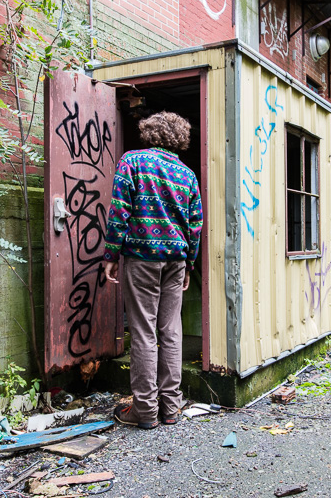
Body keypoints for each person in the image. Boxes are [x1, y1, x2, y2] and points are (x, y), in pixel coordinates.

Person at [103, 111, 203, 429]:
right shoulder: (186, 175)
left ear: (148, 131)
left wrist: (110, 253)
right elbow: (195, 224)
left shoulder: (132, 161)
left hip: (142, 256)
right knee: (170, 331)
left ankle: (145, 411)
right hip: (176, 260)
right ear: (179, 138)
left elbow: (120, 210)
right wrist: (189, 263)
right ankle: (171, 407)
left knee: (144, 331)